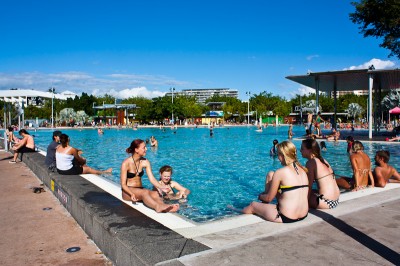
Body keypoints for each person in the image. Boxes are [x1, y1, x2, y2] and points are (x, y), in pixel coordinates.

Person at [241, 141, 309, 223]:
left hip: (286, 216)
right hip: (303, 214)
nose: (278, 158)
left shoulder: (281, 172)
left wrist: (260, 196)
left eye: (278, 155)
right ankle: (263, 205)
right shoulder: (303, 171)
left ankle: (235, 210)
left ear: (283, 155)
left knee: (252, 205)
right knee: (270, 174)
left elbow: (269, 198)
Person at [120, 139, 179, 213]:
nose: (146, 149)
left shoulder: (145, 162)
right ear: (136, 150)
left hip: (139, 190)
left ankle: (162, 205)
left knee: (156, 193)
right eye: (144, 147)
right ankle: (157, 207)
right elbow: (123, 184)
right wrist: (131, 194)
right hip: (127, 192)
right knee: (144, 192)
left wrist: (162, 187)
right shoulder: (126, 163)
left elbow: (152, 179)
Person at [301, 139, 340, 209]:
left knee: (297, 195)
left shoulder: (311, 162)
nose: (300, 151)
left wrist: (304, 203)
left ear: (310, 150)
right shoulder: (324, 160)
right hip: (336, 200)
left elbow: (309, 186)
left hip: (326, 202)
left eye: (302, 149)